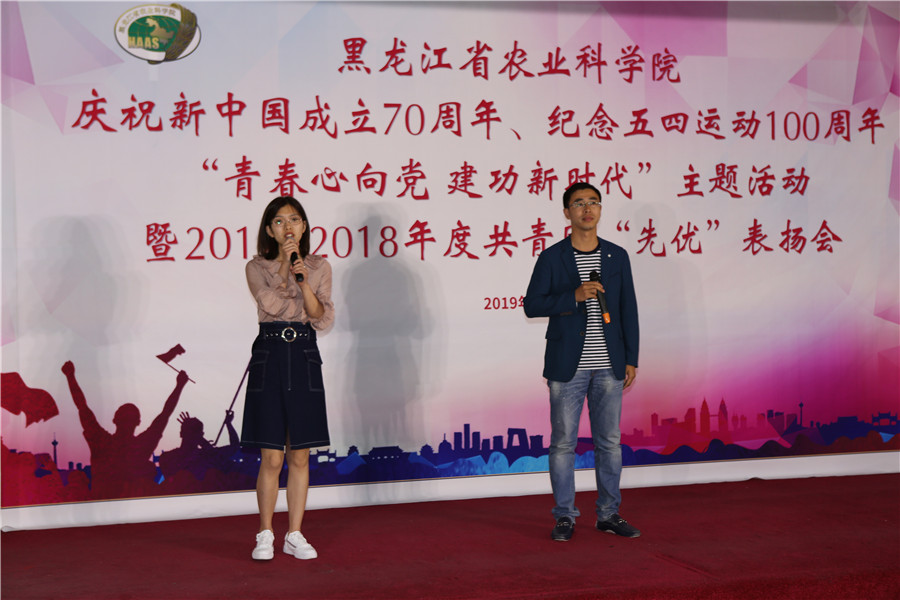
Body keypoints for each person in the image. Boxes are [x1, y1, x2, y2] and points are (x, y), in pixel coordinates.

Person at [523, 182, 640, 542]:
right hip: (566, 366)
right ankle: (564, 516)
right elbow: (532, 305)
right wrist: (573, 296)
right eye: (579, 203)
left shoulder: (617, 256)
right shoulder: (552, 257)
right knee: (563, 444)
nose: (587, 209)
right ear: (566, 212)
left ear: (600, 209)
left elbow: (628, 309)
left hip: (610, 364)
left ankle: (609, 514)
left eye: (593, 202)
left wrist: (631, 358)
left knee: (609, 443)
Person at [241, 196, 334, 561]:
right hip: (270, 356)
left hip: (305, 356)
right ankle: (265, 532)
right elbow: (270, 304)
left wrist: (303, 281)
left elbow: (321, 317)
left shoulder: (319, 267)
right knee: (271, 457)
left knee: (300, 455)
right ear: (270, 230)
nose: (288, 227)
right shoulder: (256, 267)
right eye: (279, 222)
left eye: (294, 220)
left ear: (304, 226)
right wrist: (285, 269)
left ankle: (294, 533)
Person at [61, 360, 188, 499]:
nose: (127, 422)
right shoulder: (140, 445)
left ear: (115, 420)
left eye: (128, 418)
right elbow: (165, 414)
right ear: (138, 422)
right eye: (127, 418)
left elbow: (82, 407)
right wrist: (179, 386)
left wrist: (70, 376)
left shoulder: (102, 442)